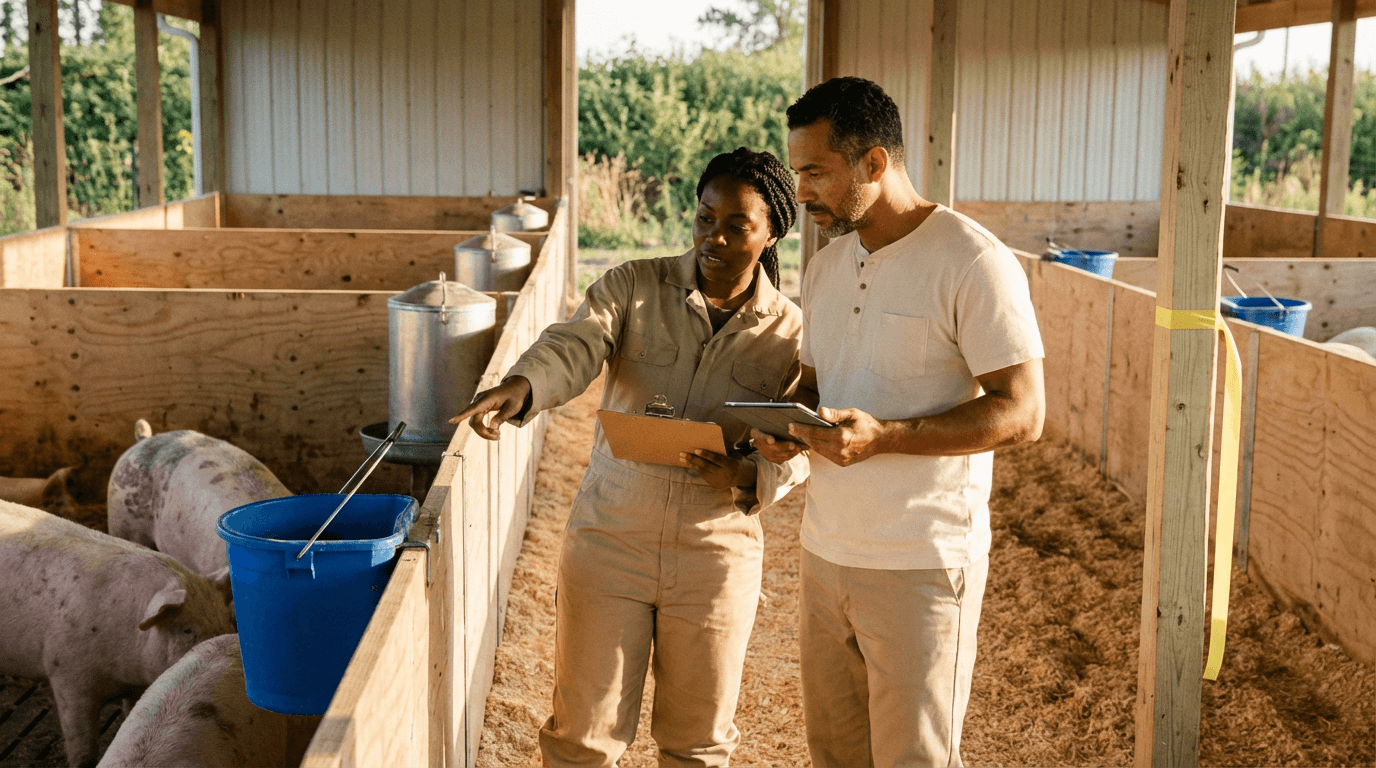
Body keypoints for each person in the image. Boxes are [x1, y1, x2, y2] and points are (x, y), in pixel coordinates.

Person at [451, 148, 809, 767]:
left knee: (698, 744)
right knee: (581, 738)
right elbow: (574, 343)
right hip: (611, 536)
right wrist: (524, 385)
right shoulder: (634, 286)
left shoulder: (792, 333)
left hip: (716, 552)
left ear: (773, 232)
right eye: (704, 217)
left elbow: (807, 439)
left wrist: (755, 471)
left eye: (736, 225)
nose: (713, 237)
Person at [752, 76, 1046, 768]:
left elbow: (1025, 411)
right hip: (828, 555)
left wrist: (886, 438)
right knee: (837, 757)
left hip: (922, 563)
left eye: (816, 172)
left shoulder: (972, 261)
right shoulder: (826, 268)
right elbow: (818, 390)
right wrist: (782, 428)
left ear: (874, 163)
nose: (802, 192)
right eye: (798, 173)